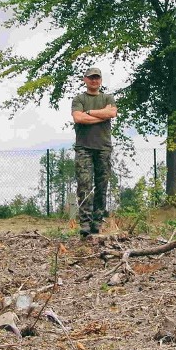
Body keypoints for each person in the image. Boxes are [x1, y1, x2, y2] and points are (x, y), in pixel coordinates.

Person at [71, 65, 117, 237]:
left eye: (97, 77)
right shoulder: (78, 99)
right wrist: (101, 115)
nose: (94, 80)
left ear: (101, 80)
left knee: (102, 186)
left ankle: (97, 223)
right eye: (91, 77)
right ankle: (85, 224)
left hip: (103, 148)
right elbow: (78, 117)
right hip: (83, 148)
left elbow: (112, 113)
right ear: (85, 80)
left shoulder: (108, 97)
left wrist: (89, 113)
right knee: (84, 185)